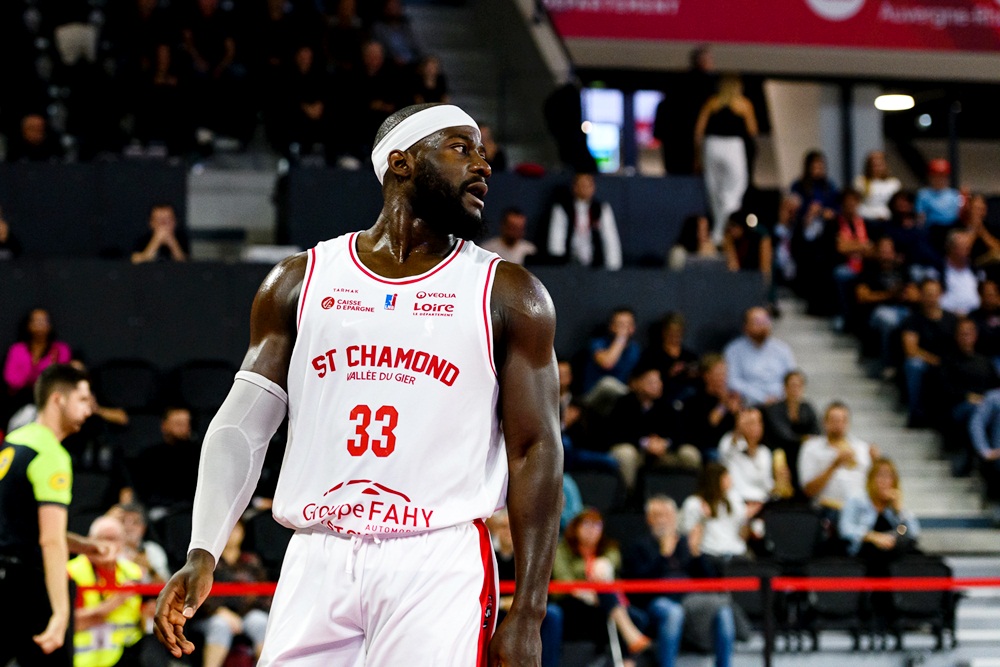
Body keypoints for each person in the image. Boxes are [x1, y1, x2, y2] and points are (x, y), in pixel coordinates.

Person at [154, 103, 563, 666]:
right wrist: (204, 547)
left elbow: (536, 447)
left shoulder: (508, 293)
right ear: (401, 162)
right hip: (318, 552)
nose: (483, 165)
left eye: (484, 152)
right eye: (461, 147)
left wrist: (530, 611)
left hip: (437, 560)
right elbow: (243, 426)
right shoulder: (300, 280)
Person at [0, 364, 93, 666]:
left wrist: (82, 545)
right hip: (28, 588)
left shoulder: (14, 442)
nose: (89, 410)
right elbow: (50, 540)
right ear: (58, 399)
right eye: (82, 399)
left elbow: (18, 524)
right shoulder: (51, 455)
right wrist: (61, 613)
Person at [623, 496, 737, 667]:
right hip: (657, 601)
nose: (663, 520)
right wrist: (663, 555)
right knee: (673, 612)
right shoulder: (639, 546)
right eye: (658, 515)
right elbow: (637, 587)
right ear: (649, 519)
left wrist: (696, 553)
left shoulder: (684, 544)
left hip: (689, 599)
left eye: (668, 515)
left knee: (723, 611)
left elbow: (710, 582)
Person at [552, 508, 652, 658]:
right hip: (572, 601)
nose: (592, 530)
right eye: (587, 524)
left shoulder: (609, 548)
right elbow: (563, 579)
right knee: (606, 593)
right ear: (576, 527)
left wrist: (603, 565)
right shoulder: (562, 550)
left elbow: (612, 564)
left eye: (597, 525)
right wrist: (588, 582)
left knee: (638, 617)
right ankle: (631, 637)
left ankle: (627, 662)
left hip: (603, 601)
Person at [66, 515, 149, 667]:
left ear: (123, 543)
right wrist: (113, 604)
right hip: (83, 660)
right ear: (88, 541)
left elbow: (145, 618)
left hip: (128, 655)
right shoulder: (71, 572)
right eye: (102, 538)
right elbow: (68, 624)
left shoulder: (135, 572)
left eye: (114, 539)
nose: (108, 545)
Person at [605, 366, 701, 494]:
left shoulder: (667, 404)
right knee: (625, 454)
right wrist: (646, 443)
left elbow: (679, 434)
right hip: (637, 452)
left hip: (663, 453)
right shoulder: (623, 403)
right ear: (636, 383)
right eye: (651, 382)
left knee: (690, 453)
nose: (657, 385)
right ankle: (627, 496)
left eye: (658, 381)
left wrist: (665, 443)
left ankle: (690, 495)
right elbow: (616, 434)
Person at [486, 509, 563, 667]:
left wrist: (520, 603)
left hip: (524, 606)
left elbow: (544, 588)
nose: (508, 531)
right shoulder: (487, 553)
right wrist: (503, 603)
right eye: (504, 527)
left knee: (553, 614)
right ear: (496, 530)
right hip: (496, 608)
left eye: (512, 527)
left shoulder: (529, 556)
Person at [195, 521, 270, 667]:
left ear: (242, 532)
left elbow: (263, 592)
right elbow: (197, 593)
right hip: (211, 615)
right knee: (220, 625)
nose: (230, 532)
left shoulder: (251, 561)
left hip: (247, 613)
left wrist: (246, 612)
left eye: (235, 528)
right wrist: (219, 611)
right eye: (226, 528)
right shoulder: (207, 561)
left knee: (260, 621)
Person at [694, 74, 758, 243]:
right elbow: (753, 130)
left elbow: (698, 132)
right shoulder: (743, 104)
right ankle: (723, 231)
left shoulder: (712, 102)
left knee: (715, 190)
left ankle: (719, 231)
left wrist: (698, 155)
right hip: (732, 146)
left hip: (712, 146)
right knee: (735, 188)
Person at [797, 402, 876, 511]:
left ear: (848, 423)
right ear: (824, 422)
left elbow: (873, 485)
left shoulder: (862, 448)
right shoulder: (811, 447)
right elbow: (808, 491)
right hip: (825, 509)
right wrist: (834, 465)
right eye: (834, 420)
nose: (838, 424)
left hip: (858, 510)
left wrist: (875, 463)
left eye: (842, 420)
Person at [901, 279, 959, 424]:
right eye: (927, 294)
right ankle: (916, 413)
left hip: (950, 362)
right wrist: (934, 360)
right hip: (926, 363)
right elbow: (911, 349)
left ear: (941, 294)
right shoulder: (912, 319)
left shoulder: (952, 319)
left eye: (934, 294)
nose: (931, 298)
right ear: (921, 295)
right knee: (913, 364)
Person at [127, 407, 201, 520]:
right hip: (157, 510)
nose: (183, 427)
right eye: (178, 423)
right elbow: (142, 490)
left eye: (186, 423)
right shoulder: (149, 456)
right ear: (164, 425)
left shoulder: (199, 454)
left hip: (192, 510)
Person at [653, 45, 716, 176]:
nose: (712, 63)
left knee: (674, 178)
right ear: (702, 61)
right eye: (710, 60)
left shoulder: (677, 82)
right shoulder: (707, 85)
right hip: (690, 142)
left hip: (673, 143)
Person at [546, 172, 623, 270]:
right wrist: (557, 264)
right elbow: (556, 238)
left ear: (593, 188)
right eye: (581, 185)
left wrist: (613, 267)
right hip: (568, 264)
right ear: (574, 187)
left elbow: (610, 238)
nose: (584, 189)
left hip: (595, 265)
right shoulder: (562, 208)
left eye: (588, 186)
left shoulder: (601, 209)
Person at [4, 308, 73, 416]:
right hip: (19, 401)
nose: (40, 324)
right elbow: (12, 380)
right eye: (36, 321)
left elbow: (60, 379)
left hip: (50, 401)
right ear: (28, 325)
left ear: (50, 325)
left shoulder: (60, 350)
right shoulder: (17, 350)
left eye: (44, 321)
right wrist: (36, 370)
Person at [723, 306, 796, 407]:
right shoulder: (733, 350)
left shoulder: (782, 349)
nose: (763, 326)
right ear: (745, 326)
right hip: (749, 405)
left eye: (766, 321)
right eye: (757, 321)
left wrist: (778, 397)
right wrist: (762, 398)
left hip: (781, 403)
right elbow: (732, 381)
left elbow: (792, 377)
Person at [680, 463, 749, 567]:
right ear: (715, 480)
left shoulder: (734, 499)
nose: (730, 480)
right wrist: (702, 519)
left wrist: (747, 521)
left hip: (736, 552)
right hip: (709, 554)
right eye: (726, 477)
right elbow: (689, 537)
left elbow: (743, 531)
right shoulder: (694, 503)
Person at [762, 370, 820, 493]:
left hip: (803, 452)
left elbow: (817, 432)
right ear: (785, 387)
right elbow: (782, 433)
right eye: (792, 385)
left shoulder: (807, 408)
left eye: (799, 385)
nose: (795, 389)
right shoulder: (775, 408)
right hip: (780, 450)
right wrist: (804, 439)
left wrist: (808, 440)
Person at [638, 312, 700, 402]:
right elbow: (643, 380)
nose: (675, 336)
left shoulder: (689, 356)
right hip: (661, 398)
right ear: (664, 332)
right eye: (671, 332)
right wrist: (669, 373)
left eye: (678, 332)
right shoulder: (651, 354)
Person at [582, 307, 642, 393]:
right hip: (595, 394)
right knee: (608, 383)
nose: (624, 328)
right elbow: (607, 363)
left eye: (628, 324)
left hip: (621, 395)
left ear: (633, 328)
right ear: (612, 327)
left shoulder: (635, 349)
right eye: (620, 325)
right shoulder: (598, 343)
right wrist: (621, 338)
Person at [915, 158, 962, 241]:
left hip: (952, 230)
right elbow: (920, 217)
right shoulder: (923, 194)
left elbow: (959, 215)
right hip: (931, 230)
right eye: (936, 176)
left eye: (942, 176)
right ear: (930, 177)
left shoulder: (954, 194)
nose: (939, 179)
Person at [939, 229, 982, 316]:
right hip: (947, 316)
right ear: (950, 248)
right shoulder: (939, 270)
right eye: (962, 247)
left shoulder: (976, 270)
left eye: (968, 247)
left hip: (974, 316)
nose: (967, 250)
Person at [854, 150, 901, 223]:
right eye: (873, 165)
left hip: (889, 219)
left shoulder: (894, 183)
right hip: (866, 219)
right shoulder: (861, 182)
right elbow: (857, 204)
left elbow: (897, 205)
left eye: (880, 165)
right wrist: (874, 215)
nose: (876, 168)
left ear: (885, 165)